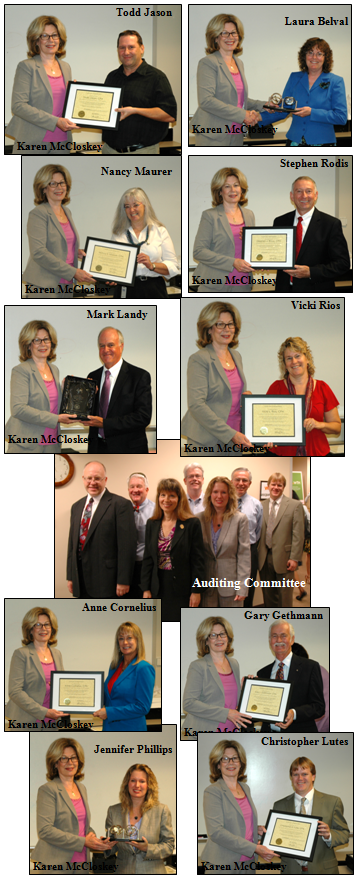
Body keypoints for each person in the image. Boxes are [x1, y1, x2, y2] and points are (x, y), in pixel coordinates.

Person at [181, 301, 253, 455]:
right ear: (209, 328)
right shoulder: (199, 359)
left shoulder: (236, 356)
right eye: (220, 324)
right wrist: (230, 434)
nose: (227, 329)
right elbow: (196, 405)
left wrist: (245, 400)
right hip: (206, 440)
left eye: (230, 324)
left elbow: (228, 394)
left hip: (236, 437)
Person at [31, 738, 114, 870]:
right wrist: (84, 841)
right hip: (56, 862)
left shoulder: (81, 788)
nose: (70, 762)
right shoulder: (48, 790)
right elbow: (45, 830)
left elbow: (80, 824)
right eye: (64, 758)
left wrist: (92, 836)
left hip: (82, 860)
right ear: (55, 763)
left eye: (73, 758)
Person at [6, 16, 79, 154]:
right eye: (44, 35)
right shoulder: (26, 67)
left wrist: (76, 96)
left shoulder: (66, 67)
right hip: (32, 141)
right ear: (36, 40)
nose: (50, 40)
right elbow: (18, 106)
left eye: (54, 35)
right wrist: (55, 121)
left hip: (62, 141)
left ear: (60, 39)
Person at [191, 14, 266, 146]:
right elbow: (206, 101)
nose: (230, 37)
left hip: (236, 132)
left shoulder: (239, 63)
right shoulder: (208, 62)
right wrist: (244, 114)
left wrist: (266, 106)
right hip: (212, 134)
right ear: (215, 37)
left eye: (234, 33)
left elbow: (237, 99)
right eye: (224, 33)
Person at [201, 740, 275, 872]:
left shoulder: (245, 788)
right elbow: (216, 832)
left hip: (249, 862)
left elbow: (239, 821)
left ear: (241, 763)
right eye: (225, 759)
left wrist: (255, 829)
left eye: (235, 758)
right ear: (218, 764)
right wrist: (254, 848)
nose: (231, 763)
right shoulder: (213, 791)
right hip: (223, 863)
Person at [66, 461, 137, 599]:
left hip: (107, 581)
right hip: (80, 579)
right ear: (83, 479)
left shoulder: (121, 505)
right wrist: (71, 576)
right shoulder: (76, 506)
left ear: (105, 480)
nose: (93, 482)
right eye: (89, 478)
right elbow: (72, 545)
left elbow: (127, 546)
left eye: (97, 478)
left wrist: (123, 580)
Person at [259, 37, 347, 147]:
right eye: (310, 52)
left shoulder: (336, 81)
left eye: (319, 53)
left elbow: (341, 117)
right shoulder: (294, 78)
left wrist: (312, 112)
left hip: (323, 143)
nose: (314, 57)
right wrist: (257, 118)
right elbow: (284, 110)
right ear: (304, 56)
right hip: (294, 142)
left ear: (326, 58)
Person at [5, 319, 77, 453]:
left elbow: (50, 403)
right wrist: (56, 419)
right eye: (37, 340)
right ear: (28, 344)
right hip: (26, 444)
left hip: (52, 442)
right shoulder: (21, 370)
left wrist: (68, 391)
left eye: (46, 339)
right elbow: (18, 409)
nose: (43, 344)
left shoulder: (54, 369)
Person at [23, 165, 94, 298]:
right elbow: (38, 252)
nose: (59, 187)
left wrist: (75, 251)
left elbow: (60, 245)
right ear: (44, 188)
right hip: (44, 284)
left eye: (62, 183)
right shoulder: (38, 214)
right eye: (53, 184)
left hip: (66, 283)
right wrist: (73, 272)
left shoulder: (66, 211)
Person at [102, 29, 176, 155]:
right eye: (122, 48)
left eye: (131, 47)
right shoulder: (112, 77)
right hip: (109, 151)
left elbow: (170, 115)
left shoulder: (156, 77)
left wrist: (135, 110)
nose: (126, 52)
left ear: (142, 48)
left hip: (142, 152)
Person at [140, 477, 205, 622]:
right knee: (160, 627)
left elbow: (198, 561)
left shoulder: (191, 523)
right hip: (157, 586)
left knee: (179, 627)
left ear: (179, 499)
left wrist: (196, 591)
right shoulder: (152, 523)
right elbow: (148, 559)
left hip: (182, 588)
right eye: (162, 495)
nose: (166, 500)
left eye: (171, 496)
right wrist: (145, 589)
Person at [272, 176, 350, 293]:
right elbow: (276, 254)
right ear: (292, 196)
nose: (304, 196)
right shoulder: (280, 222)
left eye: (308, 191)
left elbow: (343, 263)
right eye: (299, 191)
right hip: (284, 291)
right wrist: (264, 261)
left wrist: (311, 272)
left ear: (316, 195)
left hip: (316, 292)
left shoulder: (331, 224)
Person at [272, 756, 349, 874]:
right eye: (295, 774)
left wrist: (329, 835)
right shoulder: (279, 805)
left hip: (324, 871)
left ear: (313, 776)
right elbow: (277, 840)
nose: (300, 778)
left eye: (304, 774)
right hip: (291, 871)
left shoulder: (332, 802)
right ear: (291, 778)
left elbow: (344, 834)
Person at [267, 336, 341, 456]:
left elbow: (337, 427)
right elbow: (265, 424)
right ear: (285, 364)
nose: (294, 361)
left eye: (298, 356)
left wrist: (318, 424)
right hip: (282, 455)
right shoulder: (276, 388)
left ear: (307, 359)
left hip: (317, 453)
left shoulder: (323, 388)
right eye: (289, 358)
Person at [84, 327, 152, 454]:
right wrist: (73, 391)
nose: (105, 350)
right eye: (101, 346)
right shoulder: (93, 376)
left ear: (121, 346)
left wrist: (105, 423)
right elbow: (87, 412)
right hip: (97, 449)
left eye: (110, 345)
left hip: (128, 450)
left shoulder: (139, 376)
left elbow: (143, 417)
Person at [183, 616, 252, 734]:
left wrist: (247, 689)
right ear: (205, 640)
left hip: (233, 728)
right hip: (206, 730)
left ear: (228, 638)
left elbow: (227, 699)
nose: (219, 639)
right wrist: (226, 713)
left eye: (222, 634)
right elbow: (189, 703)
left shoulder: (234, 663)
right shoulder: (198, 666)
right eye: (213, 635)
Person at [192, 167, 256, 291]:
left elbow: (252, 249)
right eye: (227, 186)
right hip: (214, 284)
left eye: (236, 185)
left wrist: (261, 261)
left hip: (243, 284)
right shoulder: (210, 215)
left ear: (241, 189)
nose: (233, 190)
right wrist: (232, 262)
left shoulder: (249, 215)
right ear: (220, 191)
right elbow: (199, 251)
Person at [105, 763, 175, 873]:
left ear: (149, 785)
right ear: (127, 784)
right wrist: (107, 846)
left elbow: (169, 846)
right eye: (133, 780)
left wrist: (147, 848)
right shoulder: (113, 811)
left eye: (142, 781)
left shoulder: (161, 810)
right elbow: (113, 846)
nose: (137, 785)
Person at [109, 188, 179, 298]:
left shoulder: (160, 231)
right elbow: (112, 265)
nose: (131, 210)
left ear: (145, 206)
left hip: (154, 288)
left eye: (135, 205)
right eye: (127, 206)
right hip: (125, 290)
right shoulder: (118, 234)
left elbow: (173, 266)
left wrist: (152, 265)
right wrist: (110, 276)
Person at [6, 607, 68, 730]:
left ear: (52, 628)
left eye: (47, 624)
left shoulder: (57, 654)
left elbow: (64, 685)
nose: (43, 629)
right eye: (38, 624)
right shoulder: (21, 654)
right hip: (27, 720)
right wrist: (43, 712)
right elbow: (15, 691)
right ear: (30, 629)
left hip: (52, 720)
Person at [256, 622, 325, 733]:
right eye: (274, 636)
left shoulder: (310, 667)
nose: (278, 640)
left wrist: (294, 713)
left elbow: (318, 707)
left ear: (292, 639)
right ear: (270, 641)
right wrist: (247, 692)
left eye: (283, 635)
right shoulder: (263, 673)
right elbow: (258, 710)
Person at [198, 476, 251, 607]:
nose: (219, 496)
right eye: (215, 492)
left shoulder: (240, 519)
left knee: (232, 624)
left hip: (231, 587)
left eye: (223, 492)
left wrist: (242, 587)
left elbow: (244, 556)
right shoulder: (199, 519)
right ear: (210, 494)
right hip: (206, 586)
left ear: (230, 495)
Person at [93, 622, 155, 732]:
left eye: (129, 638)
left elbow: (142, 707)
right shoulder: (115, 665)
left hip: (130, 729)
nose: (125, 642)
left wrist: (109, 712)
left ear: (138, 641)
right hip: (109, 727)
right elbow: (108, 696)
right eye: (121, 638)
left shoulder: (144, 668)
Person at [258, 472, 305, 608]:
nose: (276, 487)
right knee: (268, 595)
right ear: (268, 486)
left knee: (284, 597)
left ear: (283, 487)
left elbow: (298, 534)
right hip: (264, 558)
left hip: (285, 559)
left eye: (279, 485)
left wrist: (295, 558)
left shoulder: (294, 505)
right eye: (273, 484)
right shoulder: (261, 505)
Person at [231, 468, 263, 608]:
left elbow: (258, 530)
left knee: (247, 588)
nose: (241, 483)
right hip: (228, 551)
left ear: (250, 483)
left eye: (244, 480)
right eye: (237, 479)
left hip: (249, 550)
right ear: (232, 481)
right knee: (228, 587)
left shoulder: (256, 505)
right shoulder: (223, 502)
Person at [128, 473, 155, 599]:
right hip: (128, 567)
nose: (135, 490)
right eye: (132, 486)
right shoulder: (123, 509)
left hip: (148, 566)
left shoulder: (156, 511)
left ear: (146, 489)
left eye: (139, 486)